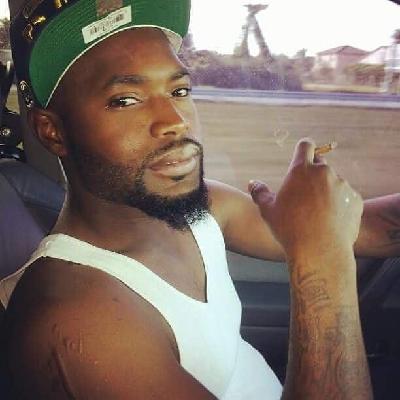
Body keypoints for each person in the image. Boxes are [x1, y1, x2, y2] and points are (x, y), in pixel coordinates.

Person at [1, 0, 399, 398]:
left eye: (179, 90)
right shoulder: (78, 322)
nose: (175, 120)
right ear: (52, 131)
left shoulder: (201, 208)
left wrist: (323, 231)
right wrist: (323, 255)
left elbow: (370, 230)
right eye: (126, 99)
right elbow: (323, 238)